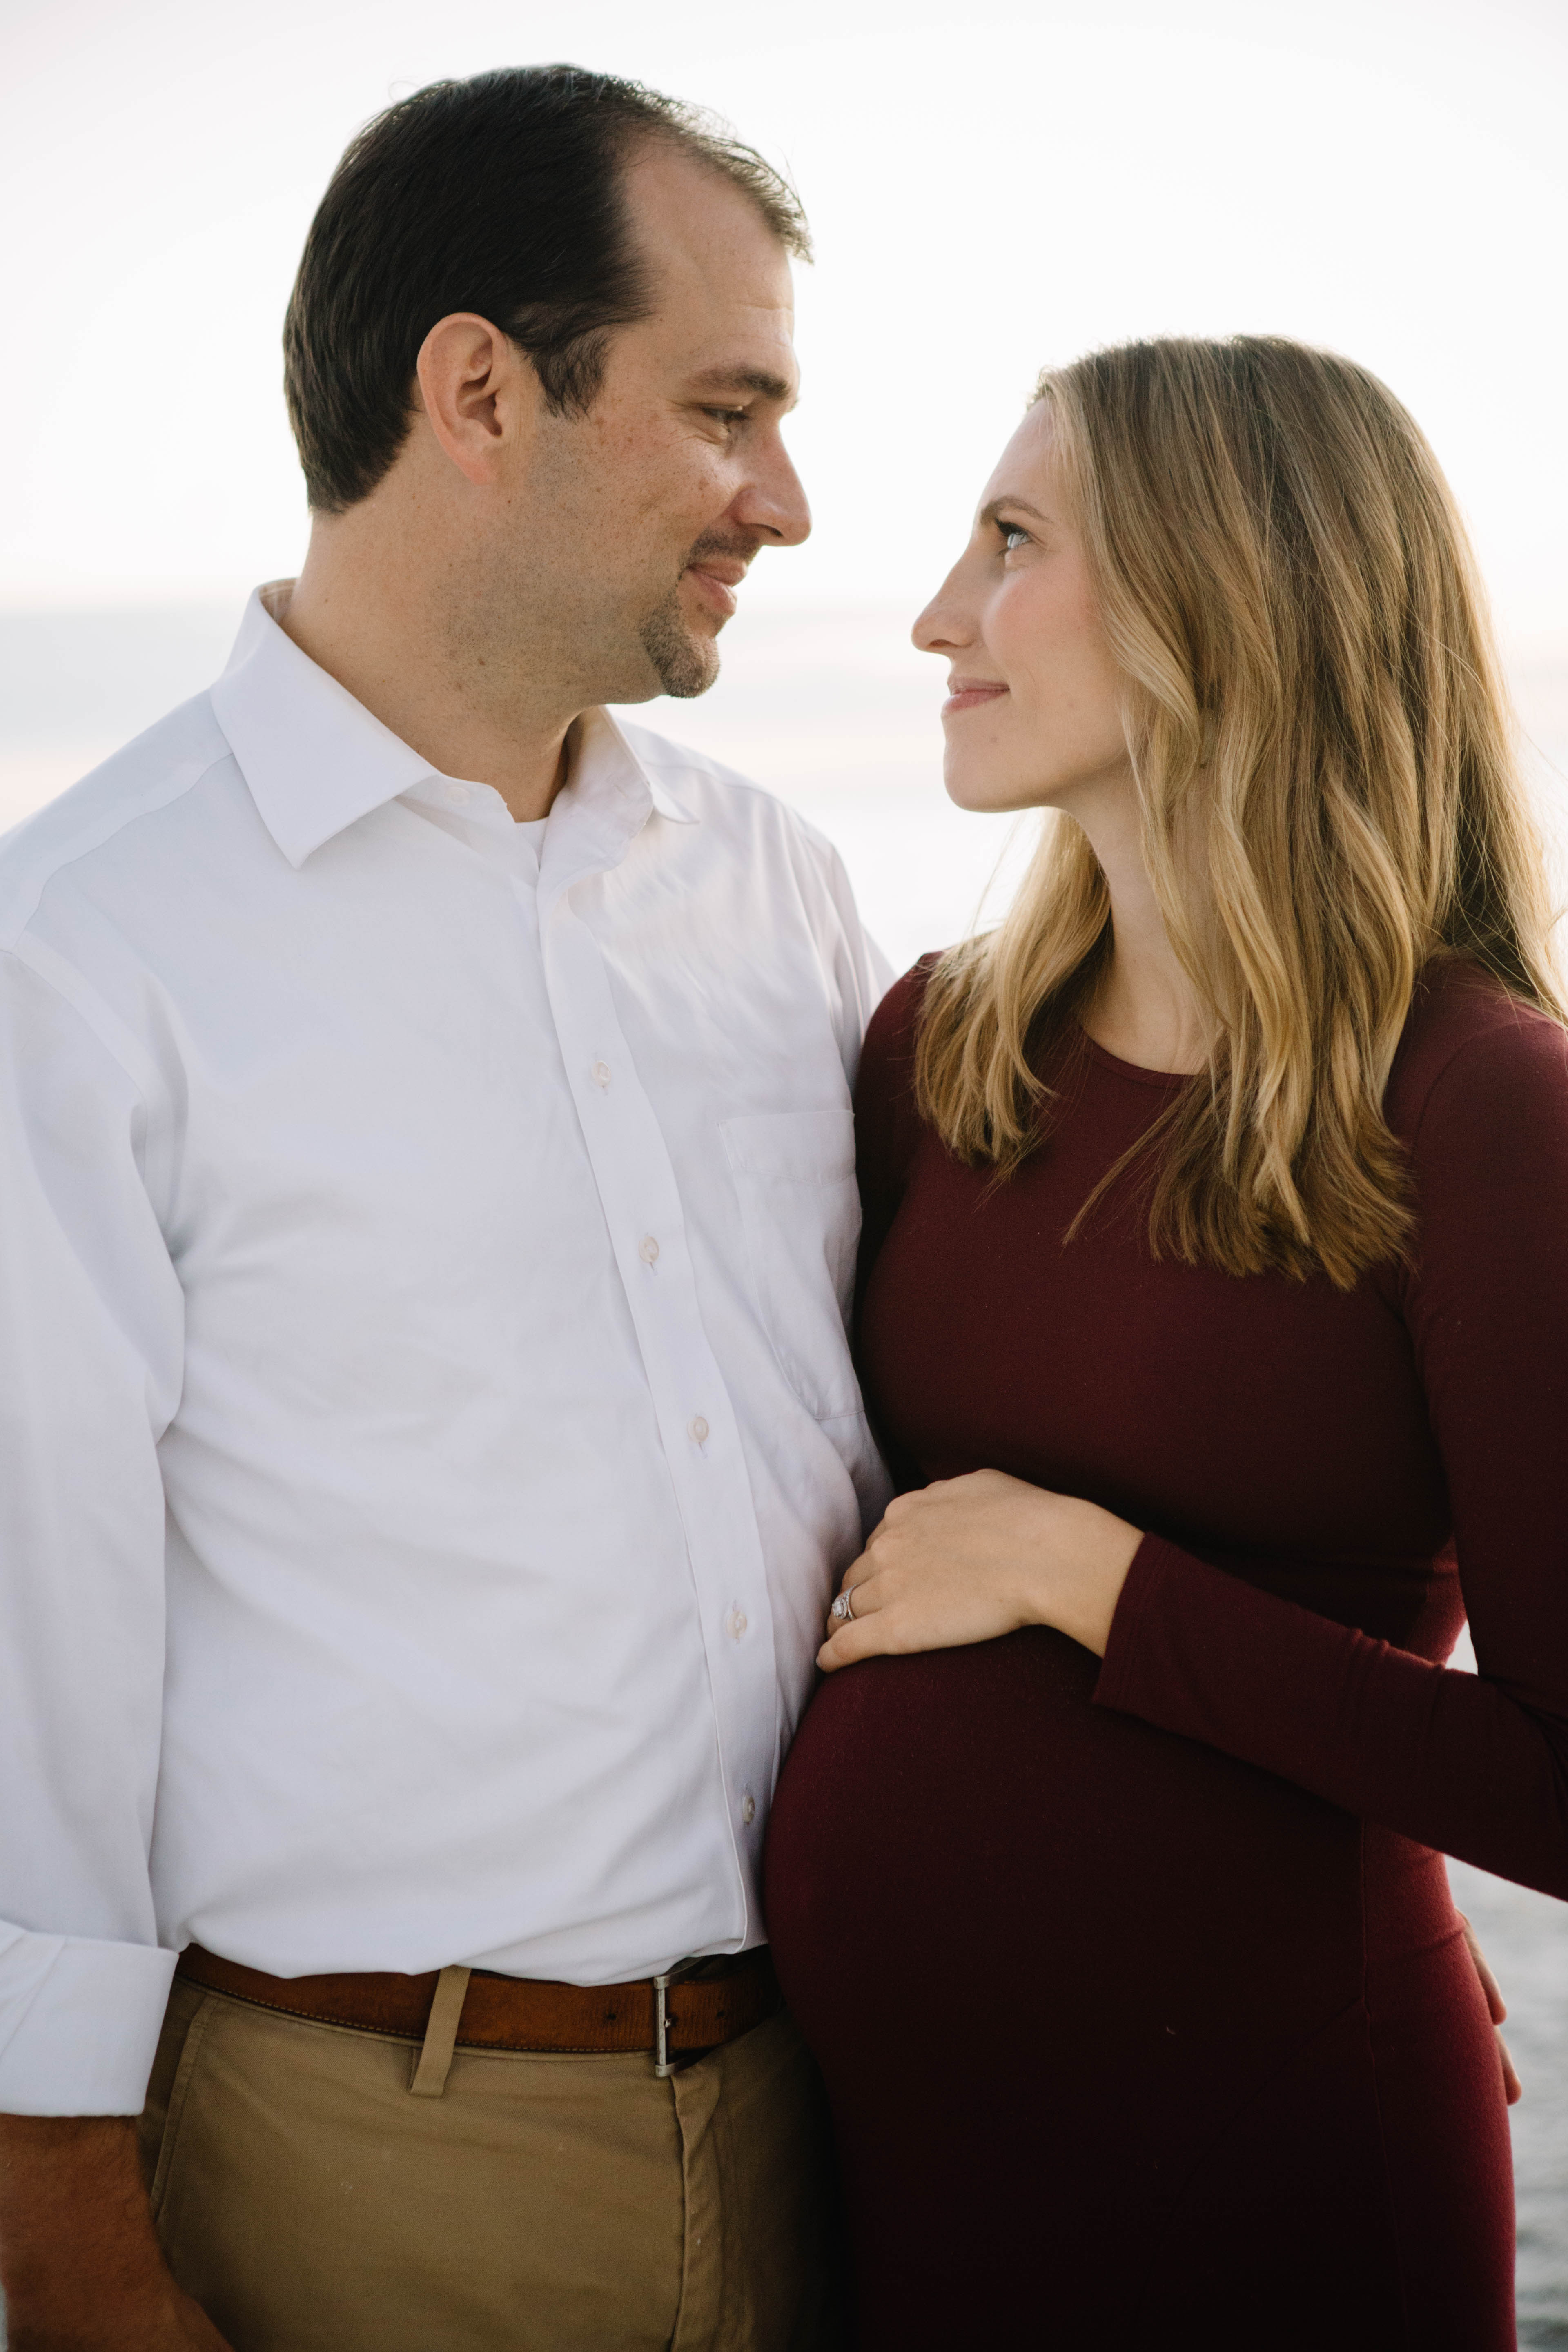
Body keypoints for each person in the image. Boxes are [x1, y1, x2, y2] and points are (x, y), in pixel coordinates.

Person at [0, 66, 890, 2352]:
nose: (785, 500)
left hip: (864, 2125)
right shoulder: (78, 951)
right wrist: (76, 2258)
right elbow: (29, 1673)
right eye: (728, 410)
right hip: (351, 2164)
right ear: (480, 389)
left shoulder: (786, 900)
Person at [764, 336, 1567, 2350]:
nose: (940, 614)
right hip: (883, 2177)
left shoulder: (1481, 1106)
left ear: (1230, 594)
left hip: (1276, 2168)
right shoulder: (939, 1047)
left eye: (1012, 540)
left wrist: (1102, 1582)